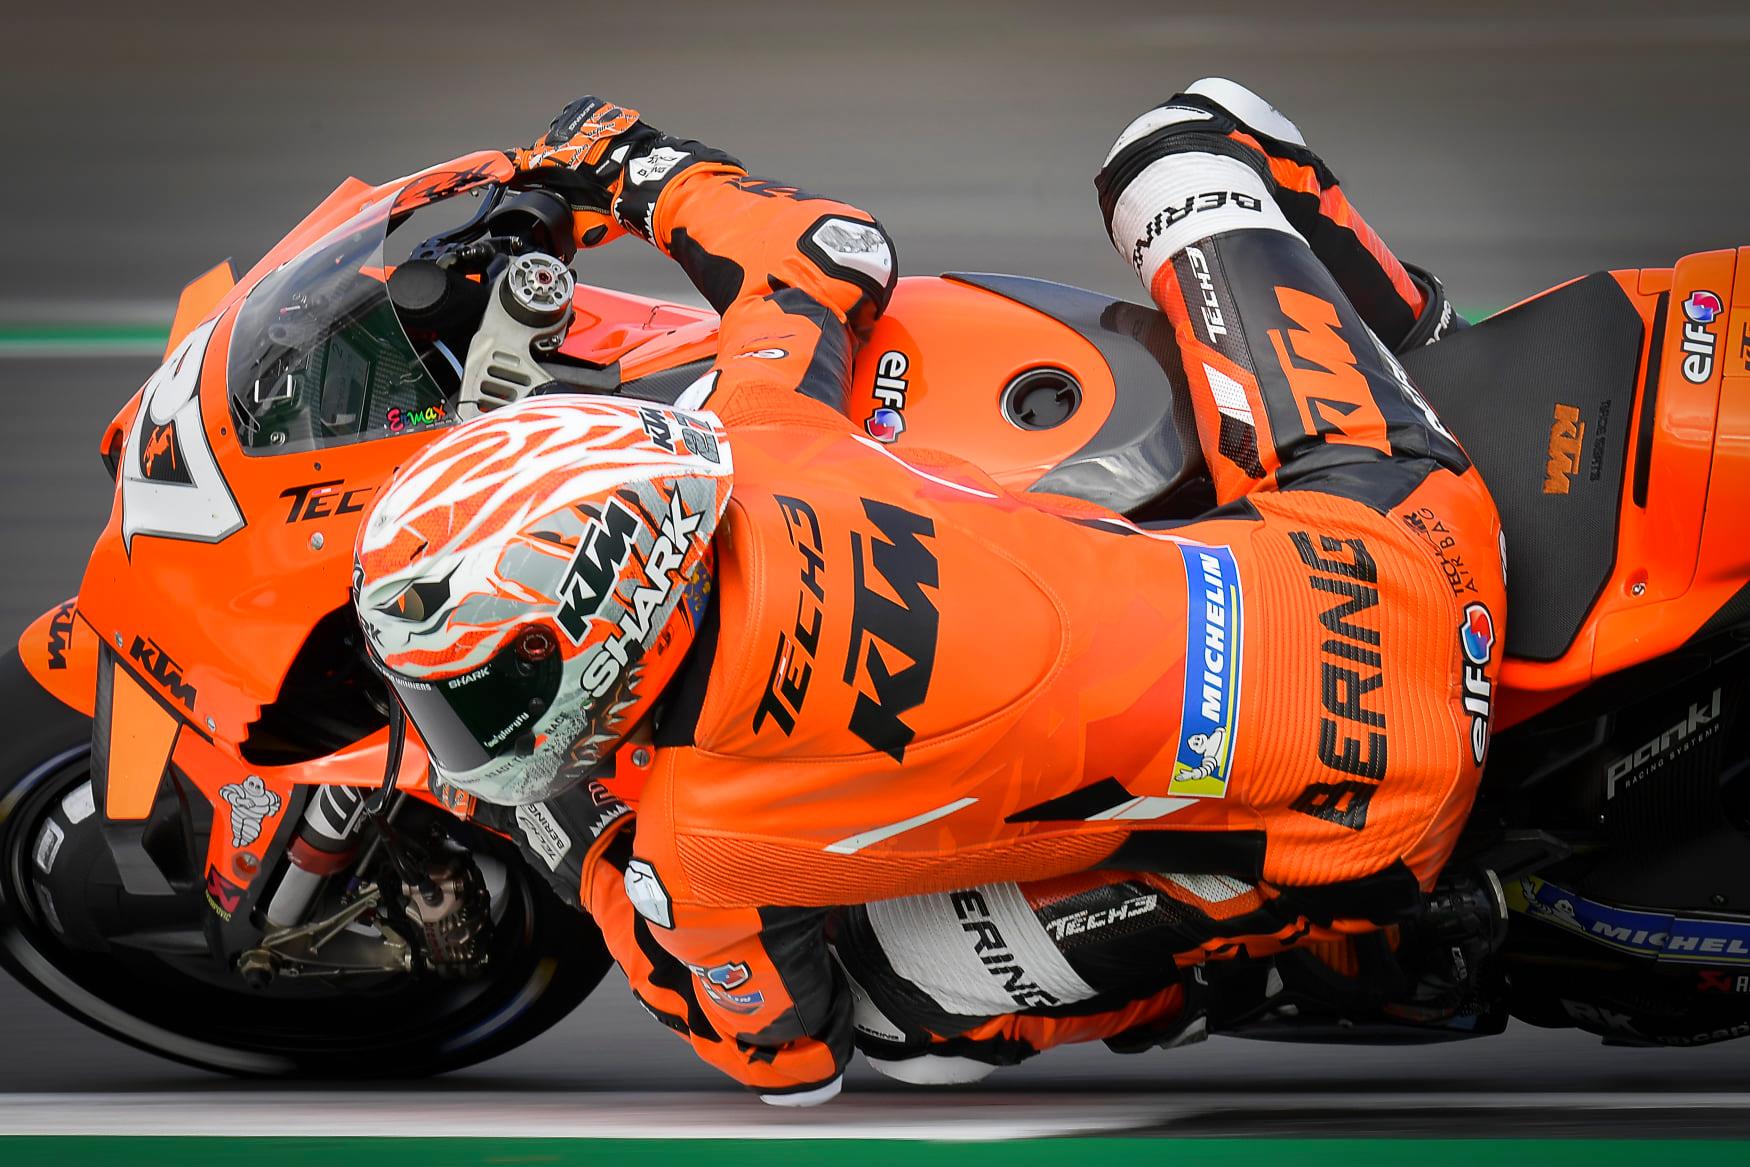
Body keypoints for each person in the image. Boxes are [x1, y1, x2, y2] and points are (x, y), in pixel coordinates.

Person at [352, 81, 1505, 1104]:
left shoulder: (700, 843)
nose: (462, 725)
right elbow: (826, 252)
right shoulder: (770, 438)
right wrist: (637, 167)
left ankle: (1302, 965)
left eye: (479, 693)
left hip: (1379, 814)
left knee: (898, 1024)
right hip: (1402, 531)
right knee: (1184, 141)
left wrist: (586, 851)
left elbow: (787, 1064)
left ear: (605, 634)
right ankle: (1433, 352)